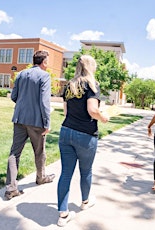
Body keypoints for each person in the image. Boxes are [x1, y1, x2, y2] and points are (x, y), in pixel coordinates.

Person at [56, 55, 109, 227]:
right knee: (85, 171)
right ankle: (85, 202)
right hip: (85, 135)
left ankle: (63, 214)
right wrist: (103, 117)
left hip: (66, 132)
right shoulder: (92, 85)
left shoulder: (69, 86)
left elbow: (65, 113)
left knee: (65, 173)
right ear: (90, 67)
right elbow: (92, 110)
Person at [4, 50, 56, 200]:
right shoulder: (44, 76)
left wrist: (23, 106)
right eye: (47, 61)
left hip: (19, 119)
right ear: (44, 62)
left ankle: (11, 189)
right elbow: (44, 102)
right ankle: (41, 177)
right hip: (36, 122)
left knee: (14, 153)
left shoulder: (20, 74)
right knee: (39, 152)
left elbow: (14, 96)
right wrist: (47, 123)